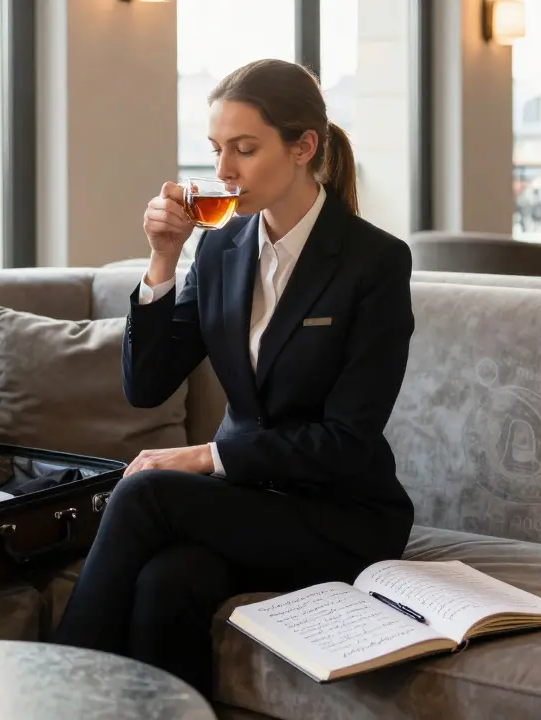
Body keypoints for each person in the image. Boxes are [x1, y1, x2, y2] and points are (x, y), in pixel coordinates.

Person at [50, 58, 416, 698]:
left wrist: (206, 456)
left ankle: (51, 696)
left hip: (338, 515)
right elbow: (147, 385)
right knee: (170, 582)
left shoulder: (374, 262)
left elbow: (347, 442)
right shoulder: (220, 247)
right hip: (247, 506)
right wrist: (162, 260)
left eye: (245, 150)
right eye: (217, 149)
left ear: (304, 147)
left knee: (147, 492)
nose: (224, 171)